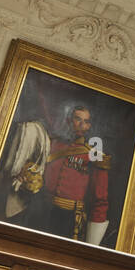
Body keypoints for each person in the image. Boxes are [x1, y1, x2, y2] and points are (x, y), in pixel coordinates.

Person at [43, 104, 111, 244]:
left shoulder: (94, 154)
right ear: (69, 121)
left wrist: (92, 243)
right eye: (77, 119)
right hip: (44, 212)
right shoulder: (55, 145)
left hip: (71, 219)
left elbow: (100, 199)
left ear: (89, 126)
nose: (81, 125)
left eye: (86, 122)